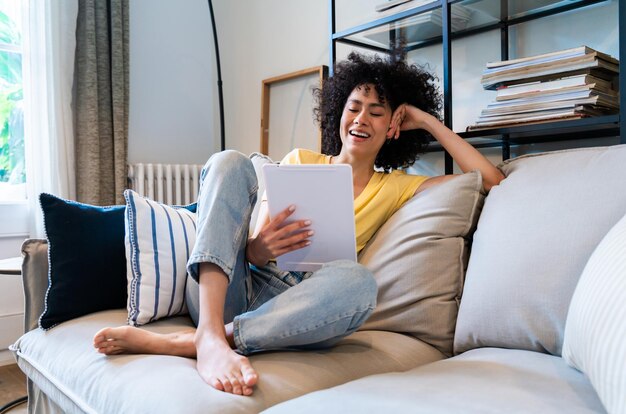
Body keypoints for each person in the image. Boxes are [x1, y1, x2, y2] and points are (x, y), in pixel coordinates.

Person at [93, 49, 504, 397]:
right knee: (230, 161)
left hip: (299, 308)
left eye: (377, 113)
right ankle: (210, 329)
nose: (361, 118)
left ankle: (202, 339)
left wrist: (428, 121)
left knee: (358, 282)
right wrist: (258, 249)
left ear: (393, 127)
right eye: (354, 107)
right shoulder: (300, 161)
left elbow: (490, 181)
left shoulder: (396, 187)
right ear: (338, 114)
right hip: (236, 282)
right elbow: (252, 247)